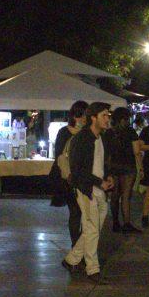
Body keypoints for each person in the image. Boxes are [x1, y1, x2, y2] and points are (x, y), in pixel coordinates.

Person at [61, 102, 114, 282]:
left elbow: (102, 163)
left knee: (94, 227)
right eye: (104, 115)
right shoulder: (81, 139)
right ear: (94, 117)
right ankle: (93, 269)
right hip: (86, 189)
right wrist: (99, 182)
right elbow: (78, 170)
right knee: (92, 228)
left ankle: (72, 259)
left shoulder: (101, 137)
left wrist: (108, 177)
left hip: (98, 188)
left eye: (108, 115)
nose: (108, 119)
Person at [54, 101, 88, 245]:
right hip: (70, 178)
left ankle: (81, 245)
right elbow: (60, 156)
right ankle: (76, 245)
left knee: (85, 214)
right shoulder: (64, 132)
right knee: (75, 212)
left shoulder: (89, 133)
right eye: (80, 115)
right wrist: (68, 175)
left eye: (86, 115)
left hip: (86, 177)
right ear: (74, 115)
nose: (83, 118)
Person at [104, 107, 140, 233]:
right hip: (128, 166)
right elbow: (136, 151)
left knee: (115, 195)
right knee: (126, 196)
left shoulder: (108, 133)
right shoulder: (130, 131)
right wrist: (141, 168)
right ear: (124, 119)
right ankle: (127, 223)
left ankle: (115, 222)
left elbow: (106, 153)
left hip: (113, 166)